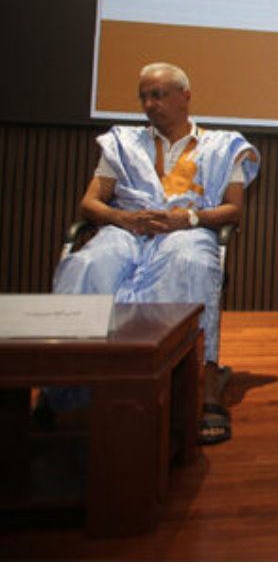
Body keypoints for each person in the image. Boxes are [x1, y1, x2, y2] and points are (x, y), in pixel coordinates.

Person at [52, 62, 259, 445]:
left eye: (159, 95)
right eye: (144, 97)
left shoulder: (222, 146)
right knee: (86, 265)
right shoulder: (123, 144)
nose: (150, 104)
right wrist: (123, 218)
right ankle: (67, 386)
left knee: (191, 264)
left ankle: (203, 386)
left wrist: (188, 218)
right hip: (127, 228)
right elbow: (90, 203)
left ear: (185, 97)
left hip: (187, 229)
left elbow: (232, 209)